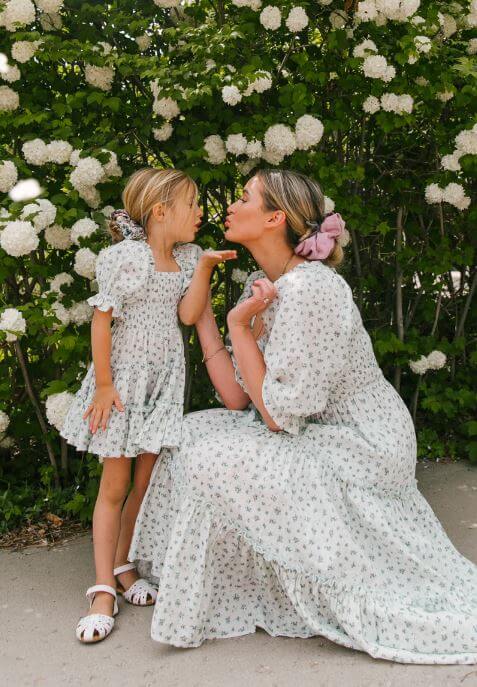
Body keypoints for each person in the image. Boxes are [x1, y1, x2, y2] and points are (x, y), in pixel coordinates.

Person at [130, 169, 477, 664]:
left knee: (215, 458)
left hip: (361, 442)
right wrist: (209, 315)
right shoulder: (273, 286)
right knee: (193, 433)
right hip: (308, 424)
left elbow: (276, 418)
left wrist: (238, 326)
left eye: (245, 196)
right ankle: (226, 588)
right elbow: (236, 399)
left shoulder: (312, 291)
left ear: (275, 218)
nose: (232, 204)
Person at [61, 167, 236, 643]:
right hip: (124, 386)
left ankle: (123, 564)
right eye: (193, 205)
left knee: (145, 480)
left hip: (162, 386)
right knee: (114, 485)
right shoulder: (126, 259)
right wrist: (103, 384)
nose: (201, 214)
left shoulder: (186, 259)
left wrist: (202, 271)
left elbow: (186, 314)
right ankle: (101, 589)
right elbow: (101, 321)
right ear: (161, 211)